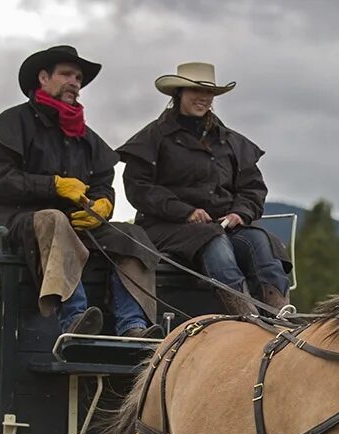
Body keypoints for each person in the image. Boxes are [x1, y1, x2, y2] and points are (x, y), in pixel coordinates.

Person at [0, 45, 162, 338]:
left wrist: (103, 205)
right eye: (66, 74)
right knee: (53, 219)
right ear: (43, 78)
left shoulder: (86, 138)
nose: (75, 82)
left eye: (78, 78)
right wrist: (53, 185)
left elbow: (103, 181)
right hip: (18, 223)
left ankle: (134, 326)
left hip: (75, 225)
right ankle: (75, 319)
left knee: (133, 235)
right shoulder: (14, 123)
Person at [118, 62, 291, 316]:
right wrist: (185, 211)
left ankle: (281, 315)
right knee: (215, 243)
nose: (203, 98)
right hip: (166, 227)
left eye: (208, 93)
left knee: (260, 242)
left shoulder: (231, 141)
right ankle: (245, 314)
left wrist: (240, 213)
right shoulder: (152, 137)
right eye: (195, 91)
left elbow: (252, 188)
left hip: (223, 226)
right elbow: (139, 188)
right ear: (178, 94)